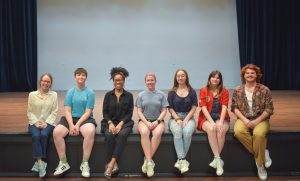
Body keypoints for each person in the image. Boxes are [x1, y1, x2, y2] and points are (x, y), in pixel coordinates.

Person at [52, 68, 96, 178]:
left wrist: (77, 125)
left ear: (86, 77)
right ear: (75, 77)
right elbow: (67, 110)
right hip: (71, 118)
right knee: (57, 132)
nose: (80, 77)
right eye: (78, 75)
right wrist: (71, 125)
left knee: (90, 131)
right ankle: (63, 163)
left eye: (83, 75)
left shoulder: (90, 92)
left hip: (85, 119)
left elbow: (88, 112)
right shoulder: (71, 91)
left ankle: (85, 163)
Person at [232, 64, 273, 180]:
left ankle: (260, 166)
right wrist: (245, 120)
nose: (250, 75)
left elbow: (269, 109)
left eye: (252, 73)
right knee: (238, 132)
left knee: (258, 134)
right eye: (247, 73)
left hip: (261, 119)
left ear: (257, 75)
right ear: (243, 76)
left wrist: (256, 121)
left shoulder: (264, 89)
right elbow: (234, 107)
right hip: (243, 118)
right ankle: (263, 153)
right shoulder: (237, 90)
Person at [101, 67, 134, 178]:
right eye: (116, 80)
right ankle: (114, 164)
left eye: (120, 80)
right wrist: (110, 123)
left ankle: (110, 164)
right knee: (109, 135)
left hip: (124, 123)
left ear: (123, 81)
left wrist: (120, 124)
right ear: (113, 81)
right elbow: (104, 113)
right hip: (109, 122)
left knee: (122, 134)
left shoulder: (129, 96)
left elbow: (129, 113)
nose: (118, 82)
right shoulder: (108, 95)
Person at [197, 70, 230, 176]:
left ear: (220, 80)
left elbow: (225, 107)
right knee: (211, 129)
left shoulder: (224, 91)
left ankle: (217, 160)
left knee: (221, 130)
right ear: (209, 78)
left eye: (217, 77)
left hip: (221, 117)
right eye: (213, 77)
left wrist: (220, 122)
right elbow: (204, 108)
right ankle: (219, 161)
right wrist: (212, 122)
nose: (215, 79)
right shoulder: (203, 90)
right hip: (206, 118)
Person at [136, 72, 169, 177]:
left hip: (158, 121)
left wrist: (157, 121)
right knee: (145, 132)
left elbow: (164, 111)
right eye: (148, 80)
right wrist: (146, 122)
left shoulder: (162, 94)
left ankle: (147, 161)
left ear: (155, 81)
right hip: (144, 121)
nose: (150, 82)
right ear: (145, 82)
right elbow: (139, 112)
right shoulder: (140, 95)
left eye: (152, 80)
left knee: (158, 133)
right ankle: (150, 162)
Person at [27, 73, 58, 178]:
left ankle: (38, 163)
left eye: (48, 82)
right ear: (40, 82)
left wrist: (46, 123)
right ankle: (41, 162)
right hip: (34, 122)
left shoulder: (54, 95)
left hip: (48, 123)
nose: (45, 83)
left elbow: (54, 111)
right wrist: (36, 122)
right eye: (44, 81)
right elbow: (30, 112)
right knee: (36, 135)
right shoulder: (32, 95)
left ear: (50, 84)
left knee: (44, 135)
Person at [167, 69, 197, 174]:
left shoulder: (192, 91)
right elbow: (170, 108)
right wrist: (178, 119)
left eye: (182, 75)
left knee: (187, 132)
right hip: (175, 118)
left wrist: (187, 120)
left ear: (186, 77)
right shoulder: (171, 92)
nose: (180, 77)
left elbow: (194, 108)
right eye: (178, 76)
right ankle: (183, 160)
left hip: (189, 117)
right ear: (176, 78)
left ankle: (180, 160)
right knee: (178, 132)